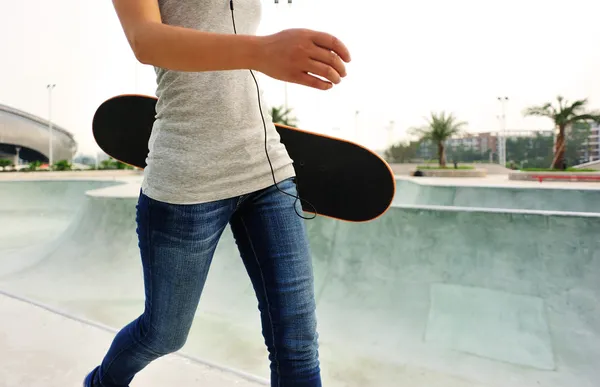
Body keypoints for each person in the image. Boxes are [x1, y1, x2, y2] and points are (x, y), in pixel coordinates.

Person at [84, 0, 351, 386]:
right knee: (163, 334)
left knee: (297, 341)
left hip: (267, 167)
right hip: (187, 180)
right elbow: (146, 40)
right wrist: (263, 51)